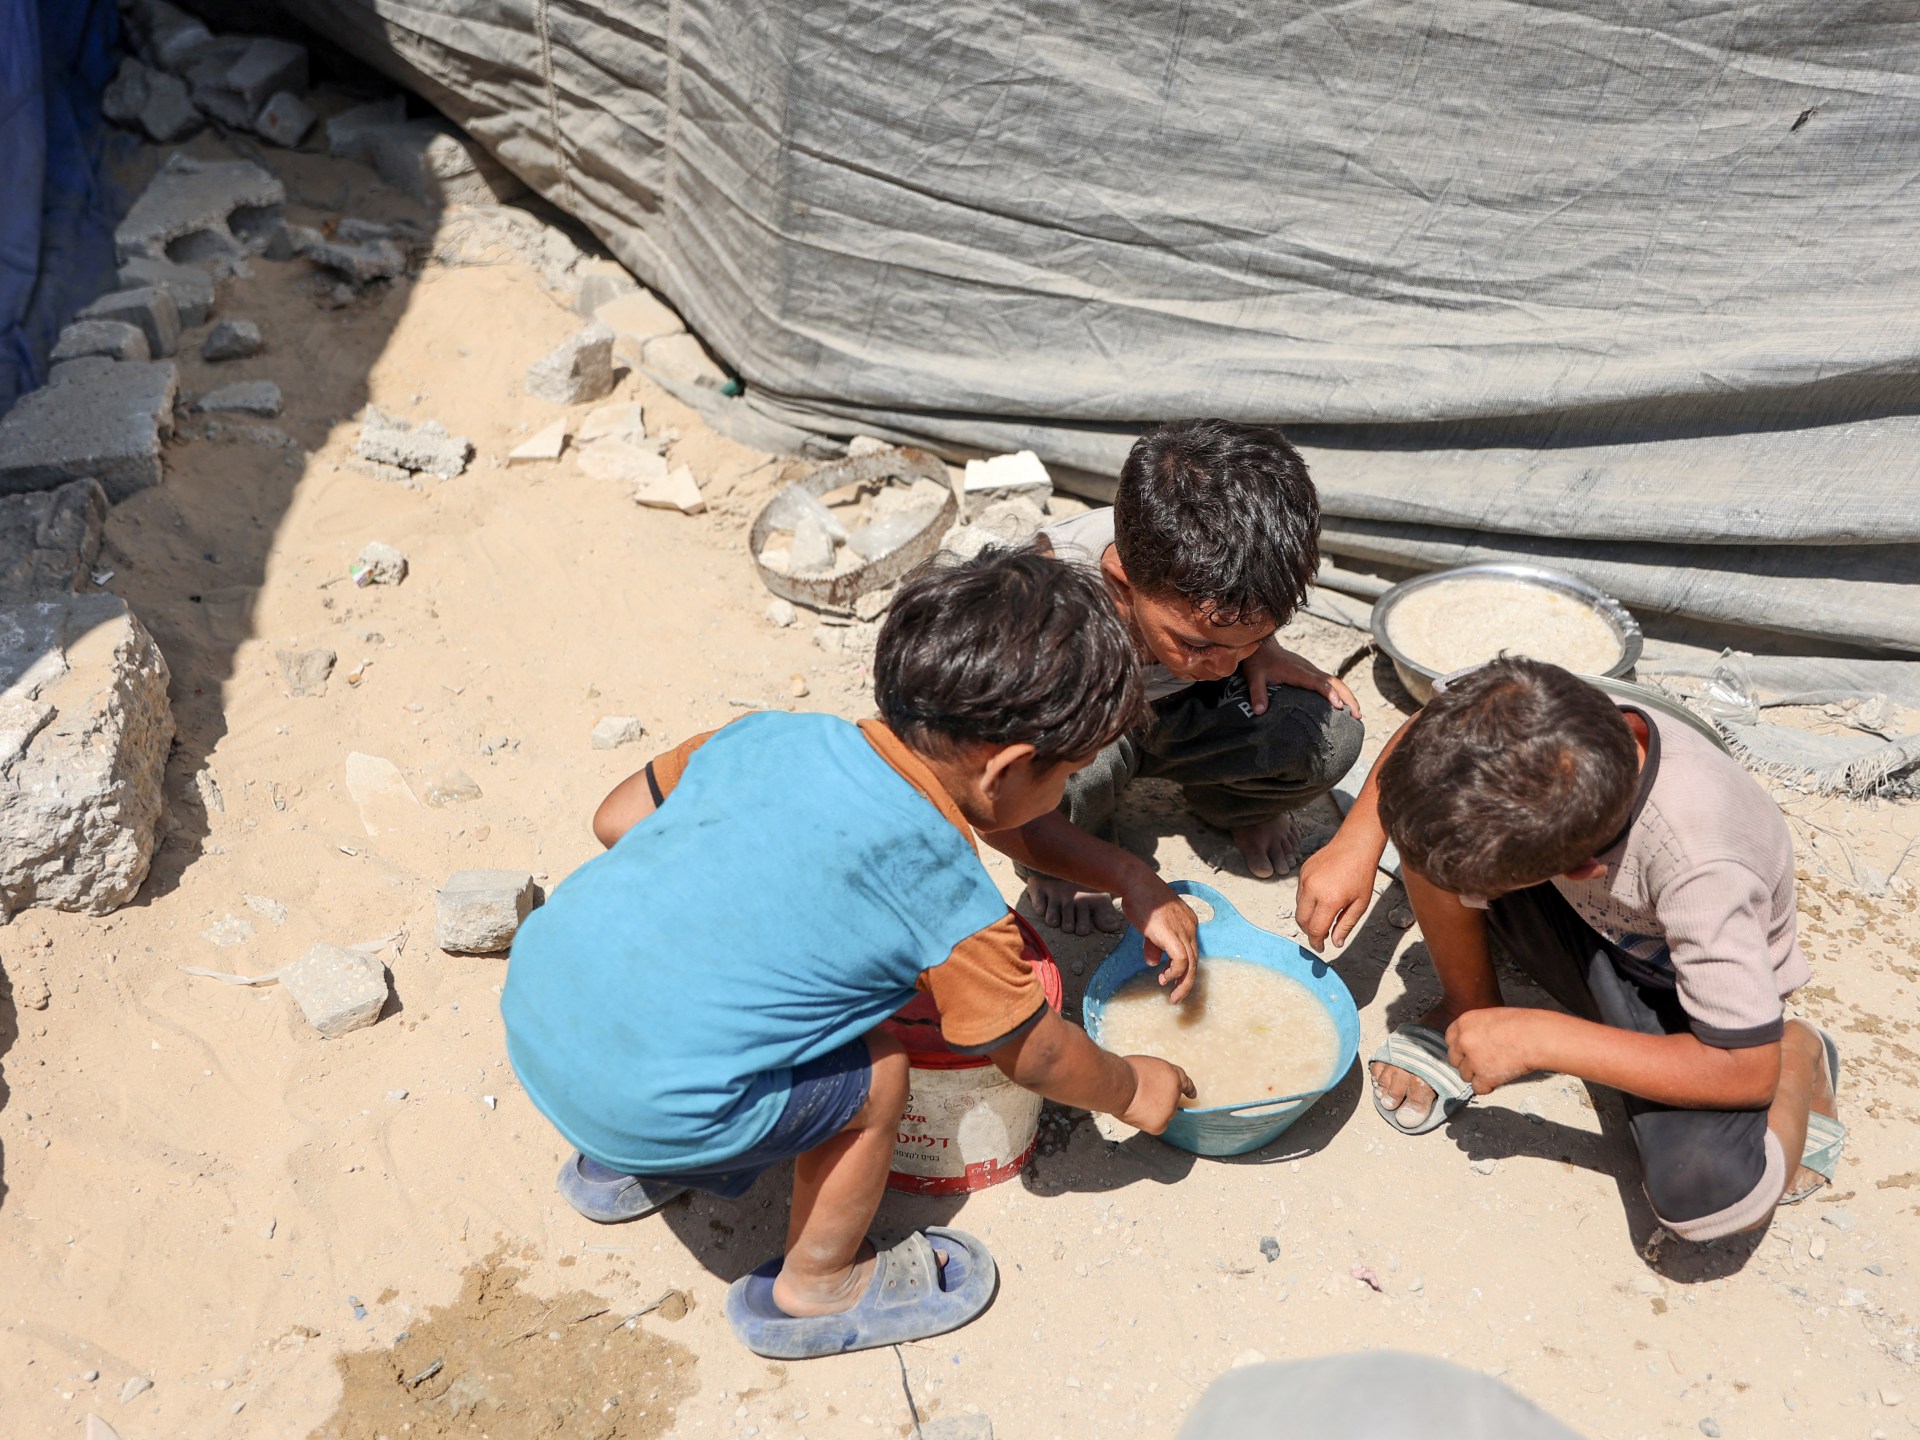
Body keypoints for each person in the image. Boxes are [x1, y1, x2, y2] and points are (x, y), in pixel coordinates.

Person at [500, 548, 1199, 1361]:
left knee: (678, 967)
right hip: (655, 1106)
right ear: (1008, 768)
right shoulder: (947, 894)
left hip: (539, 1010)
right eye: (1067, 777)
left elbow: (615, 819)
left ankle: (613, 1161)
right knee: (878, 1070)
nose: (1063, 794)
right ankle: (819, 1284)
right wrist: (1131, 1086)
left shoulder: (768, 734)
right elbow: (1035, 1053)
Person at [1296, 657, 1845, 1242]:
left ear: (1583, 869)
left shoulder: (1701, 866)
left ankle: (1798, 1049)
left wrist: (1542, 1039)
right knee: (1431, 825)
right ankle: (1469, 1004)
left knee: (1710, 1196)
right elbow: (1431, 723)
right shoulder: (1536, 708)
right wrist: (1359, 838)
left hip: (1668, 982)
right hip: (1592, 915)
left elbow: (1745, 1073)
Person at [1019, 418, 1364, 935]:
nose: (1224, 666)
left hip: (1173, 710)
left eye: (1251, 636)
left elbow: (1232, 635)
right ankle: (1065, 858)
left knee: (1327, 734)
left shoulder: (1235, 575)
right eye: (1198, 644)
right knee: (1052, 769)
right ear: (1123, 583)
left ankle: (1230, 807)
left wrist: (1264, 651)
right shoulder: (1047, 611)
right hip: (1087, 722)